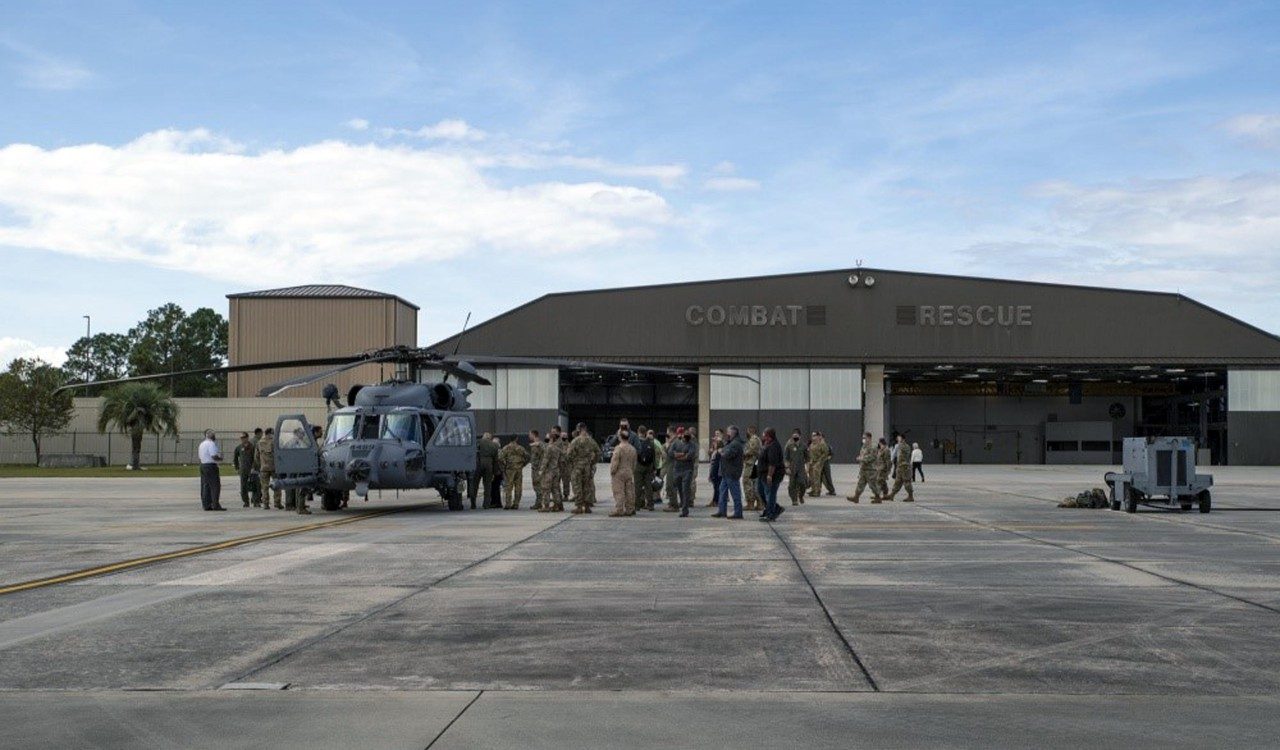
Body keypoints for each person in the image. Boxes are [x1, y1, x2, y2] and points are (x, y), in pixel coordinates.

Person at [569, 424, 601, 514]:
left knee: (577, 485)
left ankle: (579, 506)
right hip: (587, 466)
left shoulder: (575, 441)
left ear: (579, 431)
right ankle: (586, 506)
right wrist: (593, 462)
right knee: (587, 486)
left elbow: (569, 454)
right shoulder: (591, 441)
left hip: (577, 467)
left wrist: (573, 462)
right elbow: (598, 452)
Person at [714, 425, 745, 519]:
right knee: (722, 492)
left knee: (735, 493)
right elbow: (725, 449)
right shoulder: (730, 442)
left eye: (728, 432)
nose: (727, 434)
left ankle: (738, 513)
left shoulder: (735, 444)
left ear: (733, 433)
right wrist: (720, 444)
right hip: (726, 472)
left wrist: (720, 451)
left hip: (732, 472)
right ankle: (722, 511)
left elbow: (727, 454)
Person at [756, 428, 785, 521]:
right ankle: (775, 508)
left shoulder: (774, 446)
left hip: (772, 475)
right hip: (762, 474)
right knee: (761, 492)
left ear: (769, 436)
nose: (762, 436)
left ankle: (771, 514)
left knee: (770, 494)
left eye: (764, 434)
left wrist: (769, 475)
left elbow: (772, 463)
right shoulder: (766, 444)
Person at [609, 429, 638, 516]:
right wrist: (631, 470)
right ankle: (630, 509)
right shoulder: (633, 449)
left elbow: (615, 461)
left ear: (620, 437)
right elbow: (634, 462)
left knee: (619, 491)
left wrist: (612, 471)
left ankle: (619, 509)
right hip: (629, 471)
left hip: (619, 473)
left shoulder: (619, 448)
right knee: (629, 491)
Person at [498, 436, 531, 510]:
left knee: (508, 487)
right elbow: (528, 457)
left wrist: (504, 465)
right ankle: (516, 504)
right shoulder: (520, 448)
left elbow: (500, 457)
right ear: (516, 439)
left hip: (509, 470)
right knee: (518, 486)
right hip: (518, 469)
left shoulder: (506, 448)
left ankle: (508, 504)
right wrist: (523, 464)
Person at [671, 428, 697, 517]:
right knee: (680, 489)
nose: (686, 437)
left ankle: (685, 510)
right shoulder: (676, 443)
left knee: (685, 489)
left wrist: (678, 456)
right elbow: (670, 453)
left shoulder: (692, 444)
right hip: (677, 470)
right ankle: (683, 504)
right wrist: (682, 454)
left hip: (687, 470)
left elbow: (690, 455)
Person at [197, 429, 225, 511]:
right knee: (215, 486)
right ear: (212, 436)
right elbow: (213, 456)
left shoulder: (202, 444)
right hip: (210, 466)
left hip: (203, 465)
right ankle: (215, 504)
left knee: (205, 486)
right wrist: (220, 458)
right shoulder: (211, 444)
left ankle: (206, 505)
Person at [538, 431, 566, 512]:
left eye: (547, 437)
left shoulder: (549, 448)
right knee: (555, 489)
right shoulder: (557, 448)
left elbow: (545, 460)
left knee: (546, 489)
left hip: (549, 472)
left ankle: (546, 506)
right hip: (556, 471)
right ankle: (557, 505)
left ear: (551, 439)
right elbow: (562, 458)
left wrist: (541, 471)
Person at [469, 432, 498, 510]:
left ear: (483, 437)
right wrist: (495, 472)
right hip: (489, 465)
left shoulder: (478, 442)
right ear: (490, 438)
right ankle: (486, 504)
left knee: (475, 485)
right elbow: (496, 460)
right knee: (487, 486)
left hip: (478, 464)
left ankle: (473, 504)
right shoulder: (494, 445)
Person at [847, 432, 878, 504]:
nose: (863, 439)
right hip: (864, 469)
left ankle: (878, 497)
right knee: (860, 483)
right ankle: (856, 497)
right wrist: (860, 459)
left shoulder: (873, 447)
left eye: (865, 438)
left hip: (870, 470)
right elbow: (862, 454)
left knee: (872, 485)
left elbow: (872, 457)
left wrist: (862, 459)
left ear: (869, 438)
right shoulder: (864, 446)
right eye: (863, 438)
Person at [634, 425, 657, 512]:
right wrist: (654, 468)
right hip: (648, 467)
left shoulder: (636, 442)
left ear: (638, 432)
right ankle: (650, 505)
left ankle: (637, 505)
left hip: (638, 467)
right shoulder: (650, 443)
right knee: (648, 486)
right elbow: (653, 456)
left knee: (638, 486)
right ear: (645, 432)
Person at [255, 428, 280, 509]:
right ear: (270, 433)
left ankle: (266, 504)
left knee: (264, 487)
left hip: (264, 467)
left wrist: (261, 464)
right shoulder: (274, 441)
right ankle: (277, 503)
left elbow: (256, 456)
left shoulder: (259, 442)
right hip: (274, 467)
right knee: (277, 485)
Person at [232, 432, 258, 508]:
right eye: (241, 438)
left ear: (247, 438)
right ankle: (246, 501)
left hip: (252, 469)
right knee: (243, 486)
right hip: (243, 469)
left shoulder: (252, 447)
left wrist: (254, 467)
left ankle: (256, 501)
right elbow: (235, 459)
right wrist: (237, 468)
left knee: (255, 486)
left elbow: (255, 458)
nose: (243, 439)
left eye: (244, 438)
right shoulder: (239, 447)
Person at [888, 434, 916, 502]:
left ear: (903, 439)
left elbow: (903, 455)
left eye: (899, 438)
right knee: (897, 481)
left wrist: (898, 446)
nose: (898, 439)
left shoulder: (904, 446)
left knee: (906, 481)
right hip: (900, 466)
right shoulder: (900, 446)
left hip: (905, 467)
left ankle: (910, 496)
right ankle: (892, 494)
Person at [742, 425, 763, 512]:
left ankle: (750, 503)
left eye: (747, 431)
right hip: (755, 464)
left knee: (747, 483)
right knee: (755, 484)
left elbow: (752, 450)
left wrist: (743, 453)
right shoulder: (756, 439)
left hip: (751, 464)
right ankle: (759, 503)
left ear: (750, 431)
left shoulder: (754, 439)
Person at [786, 430, 809, 506]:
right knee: (792, 485)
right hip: (792, 468)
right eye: (794, 437)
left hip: (801, 468)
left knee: (802, 484)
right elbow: (786, 458)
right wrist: (787, 468)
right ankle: (794, 500)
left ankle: (801, 496)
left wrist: (807, 468)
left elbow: (807, 458)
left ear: (800, 437)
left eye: (796, 436)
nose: (795, 438)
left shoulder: (804, 446)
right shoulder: (789, 446)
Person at [806, 432, 831, 498]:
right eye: (813, 436)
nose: (813, 437)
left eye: (815, 436)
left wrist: (820, 461)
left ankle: (817, 492)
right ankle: (813, 490)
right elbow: (809, 453)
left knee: (816, 477)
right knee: (811, 477)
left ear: (818, 436)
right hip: (812, 462)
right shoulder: (811, 444)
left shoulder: (822, 444)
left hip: (818, 463)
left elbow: (826, 453)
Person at [662, 426, 679, 510]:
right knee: (669, 485)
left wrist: (668, 445)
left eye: (668, 433)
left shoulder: (675, 442)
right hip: (670, 465)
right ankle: (672, 503)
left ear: (671, 433)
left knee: (670, 485)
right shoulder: (672, 441)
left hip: (673, 465)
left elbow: (671, 454)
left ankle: (674, 505)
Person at [528, 430, 546, 510]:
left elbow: (546, 450)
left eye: (530, 434)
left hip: (538, 469)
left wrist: (539, 444)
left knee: (539, 486)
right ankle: (539, 502)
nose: (529, 436)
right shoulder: (534, 445)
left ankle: (540, 503)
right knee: (536, 486)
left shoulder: (540, 444)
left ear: (533, 435)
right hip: (534, 468)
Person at [707, 437, 723, 509]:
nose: (713, 443)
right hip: (714, 472)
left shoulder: (718, 452)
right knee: (715, 487)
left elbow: (716, 464)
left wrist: (712, 474)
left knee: (717, 487)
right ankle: (714, 500)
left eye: (715, 442)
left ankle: (716, 501)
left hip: (716, 472)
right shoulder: (715, 451)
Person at [488, 435, 504, 509]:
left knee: (495, 488)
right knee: (494, 488)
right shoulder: (497, 450)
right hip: (495, 471)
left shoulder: (499, 451)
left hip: (497, 472)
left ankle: (496, 502)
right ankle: (495, 502)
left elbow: (500, 461)